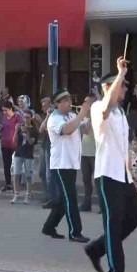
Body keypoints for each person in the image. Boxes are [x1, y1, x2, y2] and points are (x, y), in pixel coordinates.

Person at [84, 59, 137, 272]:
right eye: (121, 86)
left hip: (123, 175)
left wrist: (131, 171)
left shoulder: (121, 114)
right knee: (113, 224)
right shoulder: (100, 107)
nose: (125, 89)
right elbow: (106, 107)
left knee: (133, 218)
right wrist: (120, 74)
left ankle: (96, 248)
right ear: (108, 88)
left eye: (125, 86)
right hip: (107, 175)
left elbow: (122, 145)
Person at [41, 88, 91, 242]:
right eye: (66, 100)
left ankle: (49, 227)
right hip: (60, 164)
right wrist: (83, 113)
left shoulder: (72, 115)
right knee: (70, 199)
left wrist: (89, 115)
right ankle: (75, 232)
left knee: (63, 200)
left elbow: (87, 131)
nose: (70, 103)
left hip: (71, 163)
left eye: (70, 99)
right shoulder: (54, 119)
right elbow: (68, 130)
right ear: (58, 104)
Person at [11, 111, 37, 204]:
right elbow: (14, 140)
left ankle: (28, 195)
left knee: (28, 176)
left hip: (28, 155)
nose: (25, 119)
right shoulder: (20, 126)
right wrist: (16, 130)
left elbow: (31, 142)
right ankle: (16, 195)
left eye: (27, 117)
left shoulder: (34, 129)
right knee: (16, 174)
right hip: (19, 153)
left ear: (31, 118)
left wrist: (27, 133)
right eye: (24, 117)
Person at [38, 97, 58, 208]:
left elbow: (44, 129)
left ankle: (53, 198)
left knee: (49, 173)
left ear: (51, 104)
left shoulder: (55, 115)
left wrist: (50, 114)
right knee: (42, 172)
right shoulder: (48, 115)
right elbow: (41, 129)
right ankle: (48, 195)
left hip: (51, 146)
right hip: (44, 145)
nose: (42, 107)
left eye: (44, 104)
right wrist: (47, 115)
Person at [0, 101, 23, 193]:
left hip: (14, 144)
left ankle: (16, 185)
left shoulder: (17, 116)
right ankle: (8, 183)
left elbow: (22, 126)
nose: (4, 112)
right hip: (4, 143)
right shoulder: (4, 117)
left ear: (10, 108)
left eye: (5, 110)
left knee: (15, 166)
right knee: (6, 165)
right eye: (3, 111)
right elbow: (3, 127)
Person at [79, 94, 97, 212]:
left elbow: (86, 130)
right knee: (86, 180)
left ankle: (102, 205)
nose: (84, 104)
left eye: (87, 102)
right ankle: (87, 203)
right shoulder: (83, 117)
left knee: (98, 181)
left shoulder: (97, 117)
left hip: (95, 153)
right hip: (84, 152)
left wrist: (90, 116)